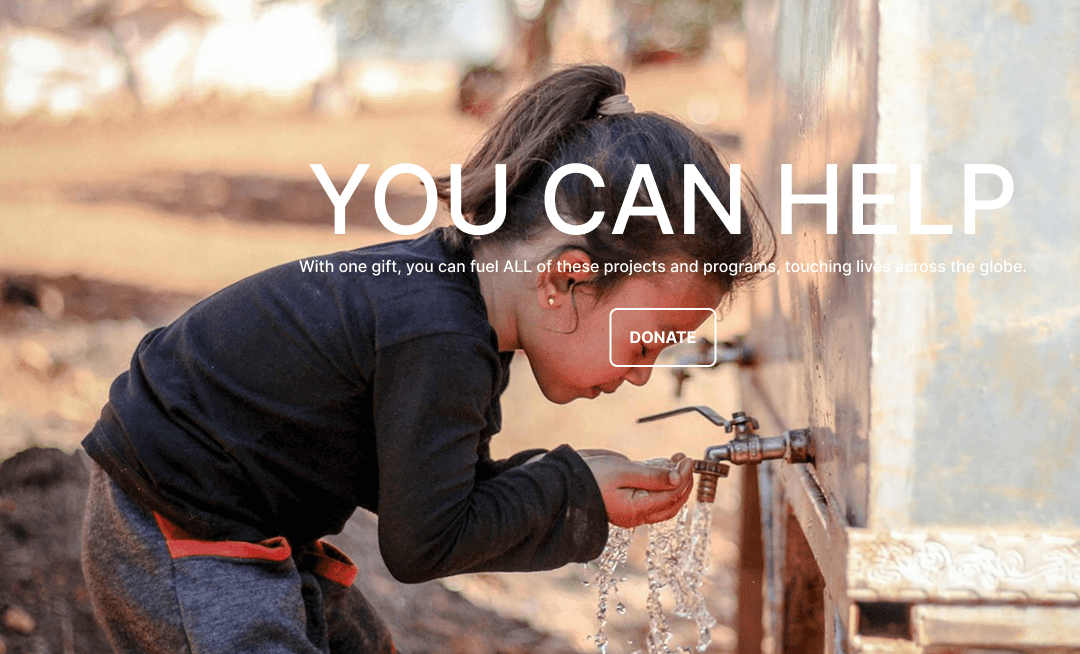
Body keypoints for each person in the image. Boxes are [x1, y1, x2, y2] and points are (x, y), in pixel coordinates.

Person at [79, 64, 774, 653]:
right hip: (179, 519)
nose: (642, 372)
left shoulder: (455, 307)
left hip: (223, 503)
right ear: (565, 280)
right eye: (646, 339)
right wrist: (571, 490)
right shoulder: (439, 336)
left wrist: (572, 481)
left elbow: (434, 490)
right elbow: (426, 543)